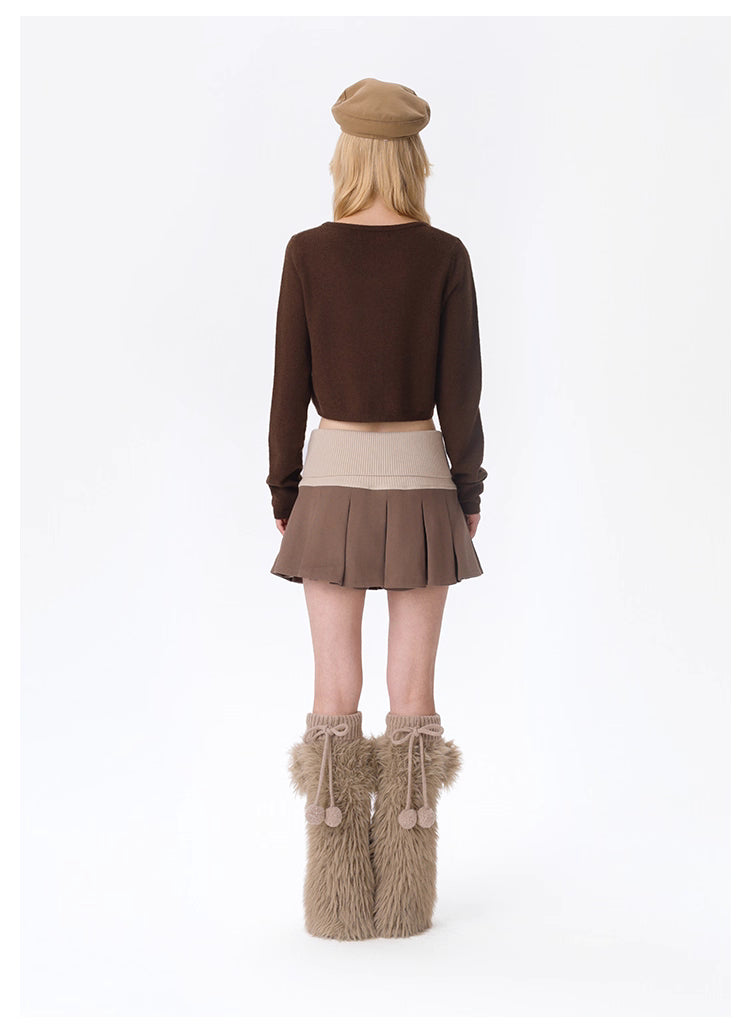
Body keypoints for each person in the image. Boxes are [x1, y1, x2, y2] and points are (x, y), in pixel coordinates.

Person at [266, 77, 488, 940]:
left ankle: (336, 903)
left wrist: (284, 490)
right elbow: (461, 395)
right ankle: (404, 901)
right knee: (412, 694)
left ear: (347, 154)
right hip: (421, 481)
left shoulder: (307, 253)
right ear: (413, 159)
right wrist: (467, 489)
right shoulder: (445, 256)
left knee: (334, 689)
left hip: (330, 483)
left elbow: (288, 389)